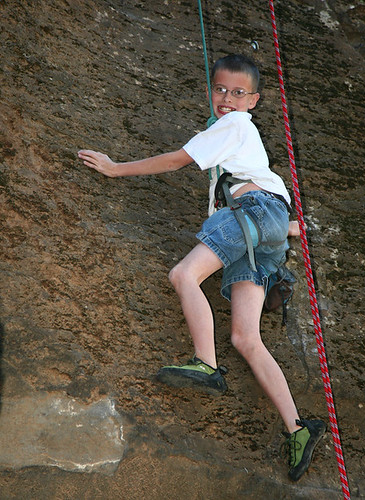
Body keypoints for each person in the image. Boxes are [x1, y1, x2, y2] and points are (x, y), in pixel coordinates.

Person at [78, 54, 326, 481]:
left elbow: (177, 159)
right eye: (219, 90)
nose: (226, 98)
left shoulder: (232, 126)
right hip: (265, 233)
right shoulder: (245, 146)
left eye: (238, 92)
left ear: (254, 101)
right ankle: (298, 428)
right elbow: (269, 197)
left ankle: (205, 363)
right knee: (246, 338)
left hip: (250, 215)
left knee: (183, 275)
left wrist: (116, 169)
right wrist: (286, 229)